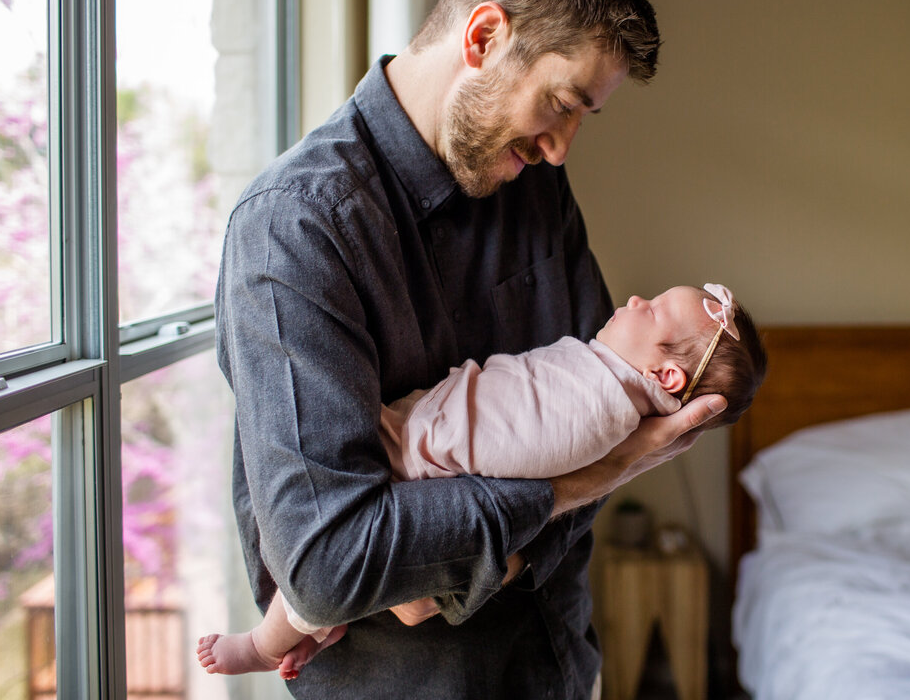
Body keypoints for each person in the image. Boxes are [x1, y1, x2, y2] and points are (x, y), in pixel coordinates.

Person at [212, 0, 728, 699]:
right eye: (561, 102)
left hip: (558, 663)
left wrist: (454, 556)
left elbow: (613, 403)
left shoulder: (533, 186)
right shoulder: (295, 230)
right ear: (483, 37)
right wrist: (585, 481)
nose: (560, 147)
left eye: (583, 117)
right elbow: (327, 567)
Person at [199, 284, 767, 680]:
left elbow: (511, 450)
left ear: (665, 375)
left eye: (654, 311)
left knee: (312, 574)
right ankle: (325, 629)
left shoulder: (601, 410)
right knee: (329, 567)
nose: (638, 299)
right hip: (422, 434)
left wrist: (416, 440)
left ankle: (261, 645)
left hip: (417, 467)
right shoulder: (604, 382)